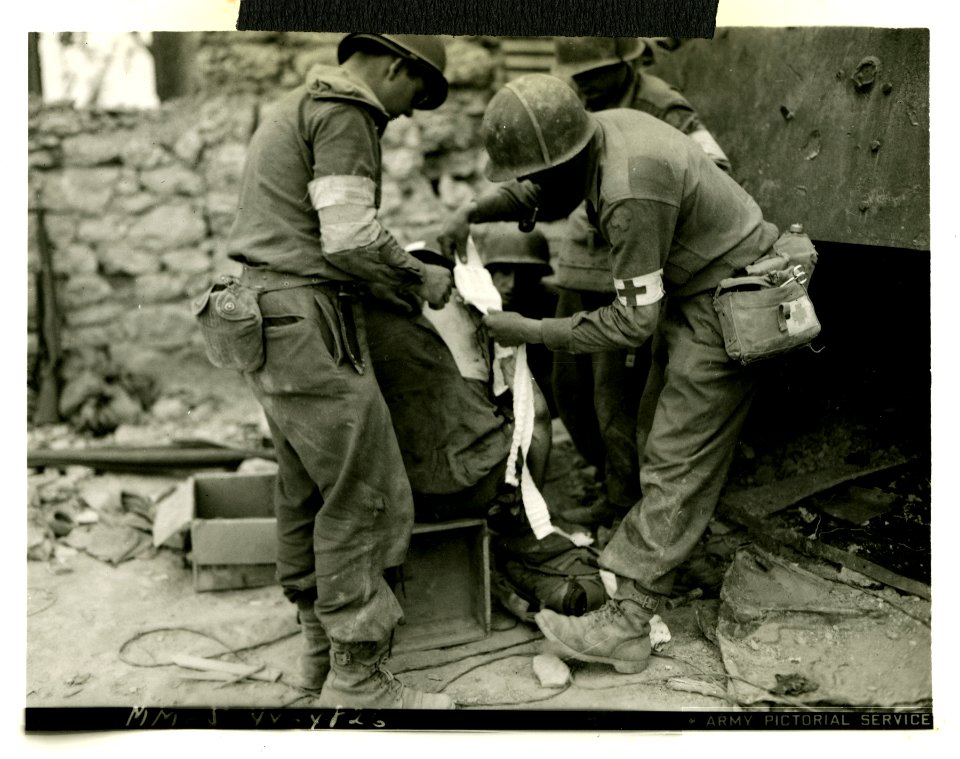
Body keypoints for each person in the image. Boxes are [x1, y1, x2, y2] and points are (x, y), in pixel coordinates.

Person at [439, 73, 780, 675]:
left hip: (729, 299)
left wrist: (532, 331)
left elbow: (631, 324)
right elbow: (546, 189)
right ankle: (672, 557)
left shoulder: (629, 191)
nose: (534, 189)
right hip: (695, 288)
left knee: (677, 452)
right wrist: (473, 209)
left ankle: (628, 622)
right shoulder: (598, 135)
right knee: (654, 437)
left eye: (537, 176)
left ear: (565, 160)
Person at [222, 34, 456, 709]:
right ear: (394, 66)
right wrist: (419, 278)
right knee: (365, 490)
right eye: (417, 93)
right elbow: (349, 236)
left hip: (265, 313)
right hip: (307, 319)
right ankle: (359, 680)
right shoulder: (347, 112)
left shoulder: (299, 105)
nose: (410, 113)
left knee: (306, 486)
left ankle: (316, 660)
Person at [549, 37, 732, 528]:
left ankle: (619, 497)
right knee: (567, 380)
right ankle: (603, 471)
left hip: (632, 259)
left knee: (613, 390)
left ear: (626, 63)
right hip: (584, 252)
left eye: (593, 76)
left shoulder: (661, 104)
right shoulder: (580, 106)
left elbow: (714, 167)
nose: (583, 86)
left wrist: (642, 212)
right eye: (577, 78)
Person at [475, 223, 559, 416]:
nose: (512, 284)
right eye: (504, 271)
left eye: (523, 274)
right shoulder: (473, 305)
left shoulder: (553, 302)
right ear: (488, 272)